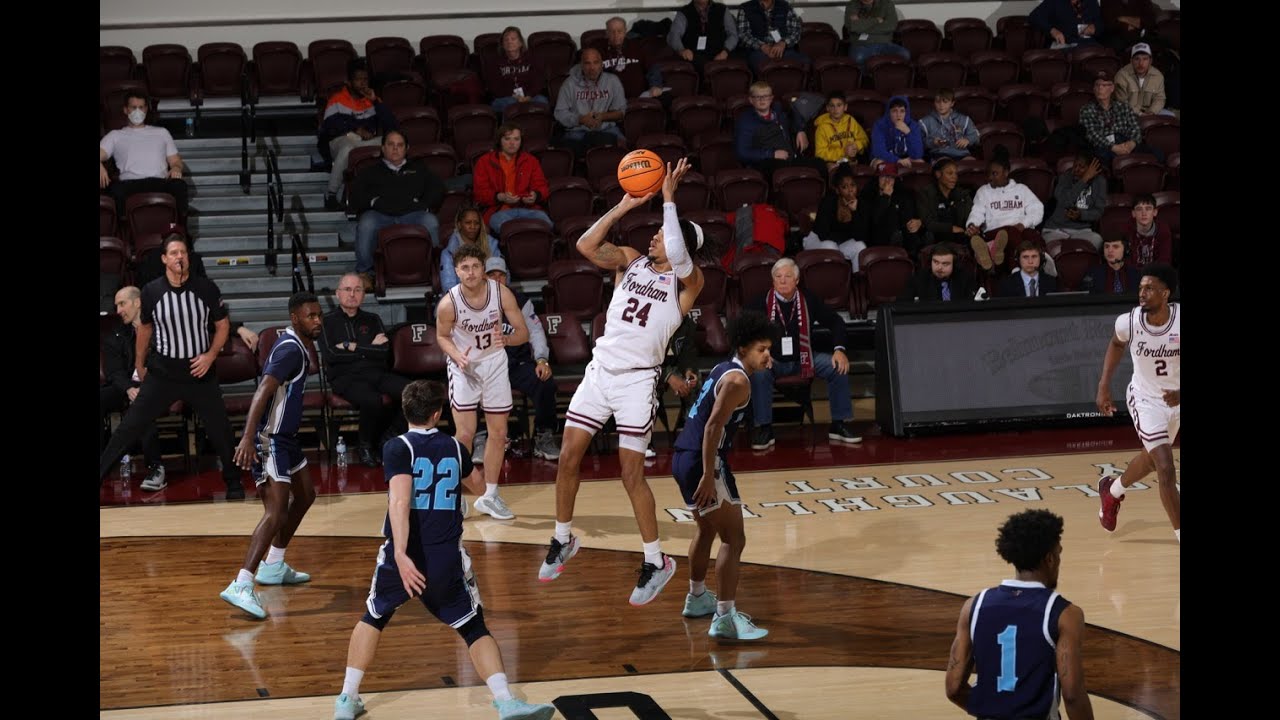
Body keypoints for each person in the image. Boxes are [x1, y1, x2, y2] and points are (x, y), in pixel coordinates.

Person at [331, 380, 557, 720]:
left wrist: (401, 554)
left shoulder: (397, 447)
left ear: (405, 410)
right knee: (472, 626)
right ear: (438, 414)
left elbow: (401, 500)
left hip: (404, 555)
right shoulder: (455, 448)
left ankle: (347, 699)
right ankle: (506, 701)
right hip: (445, 557)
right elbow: (478, 486)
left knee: (374, 616)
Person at [538, 158, 707, 606]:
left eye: (661, 235)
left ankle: (656, 561)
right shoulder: (630, 262)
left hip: (637, 381)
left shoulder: (689, 284)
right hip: (600, 371)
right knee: (568, 456)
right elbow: (585, 243)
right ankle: (562, 538)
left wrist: (669, 198)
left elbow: (678, 245)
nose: (652, 237)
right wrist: (624, 205)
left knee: (630, 472)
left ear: (680, 246)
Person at [98, 233, 246, 499]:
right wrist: (141, 363)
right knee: (130, 426)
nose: (180, 257)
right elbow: (144, 330)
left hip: (199, 371)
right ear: (165, 259)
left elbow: (222, 326)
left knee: (220, 429)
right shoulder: (152, 291)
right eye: (174, 253)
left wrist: (211, 355)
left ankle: (234, 482)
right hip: (163, 372)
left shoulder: (207, 288)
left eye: (183, 252)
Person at [219, 292, 324, 619]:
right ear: (295, 318)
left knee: (305, 495)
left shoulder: (300, 345)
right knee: (276, 512)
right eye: (311, 316)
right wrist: (248, 437)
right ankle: (242, 582)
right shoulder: (291, 349)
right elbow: (263, 389)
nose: (317, 320)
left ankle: (274, 565)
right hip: (271, 439)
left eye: (319, 315)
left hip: (288, 439)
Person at [674, 310, 775, 641]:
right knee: (734, 538)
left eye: (769, 349)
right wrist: (707, 475)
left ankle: (698, 597)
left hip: (682, 457)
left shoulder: (722, 368)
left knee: (706, 529)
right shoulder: (737, 380)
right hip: (705, 462)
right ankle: (725, 618)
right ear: (743, 348)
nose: (767, 355)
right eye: (761, 349)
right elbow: (713, 426)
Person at [944, 509, 1094, 720]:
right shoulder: (1065, 615)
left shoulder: (974, 606)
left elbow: (953, 688)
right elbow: (1072, 696)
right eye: (1059, 554)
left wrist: (992, 711)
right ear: (1050, 559)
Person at [436, 245, 530, 520]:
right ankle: (453, 496)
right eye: (464, 267)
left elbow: (523, 333)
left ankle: (490, 495)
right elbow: (442, 337)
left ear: (483, 268)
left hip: (494, 363)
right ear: (456, 271)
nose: (471, 272)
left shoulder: (500, 293)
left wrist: (509, 339)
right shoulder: (448, 303)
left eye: (475, 266)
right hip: (464, 367)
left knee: (498, 434)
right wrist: (456, 356)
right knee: (464, 435)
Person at [1095, 263, 1179, 542]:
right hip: (1146, 400)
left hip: (1177, 400)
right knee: (1165, 466)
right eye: (1140, 288)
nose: (1142, 293)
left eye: (1149, 288)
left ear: (1165, 293)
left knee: (1152, 459)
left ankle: (1113, 491)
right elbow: (1117, 344)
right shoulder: (1128, 322)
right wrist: (1104, 385)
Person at [747, 257, 861, 449]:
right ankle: (764, 428)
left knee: (837, 367)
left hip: (803, 359)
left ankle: (839, 424)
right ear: (773, 280)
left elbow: (836, 322)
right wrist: (757, 355)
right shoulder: (761, 302)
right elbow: (742, 330)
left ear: (797, 280)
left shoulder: (808, 299)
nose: (782, 280)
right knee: (758, 374)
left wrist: (839, 350)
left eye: (788, 276)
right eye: (778, 276)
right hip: (771, 361)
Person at [321, 273, 412, 467]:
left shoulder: (372, 319)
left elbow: (384, 351)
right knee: (372, 399)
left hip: (376, 373)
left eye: (358, 290)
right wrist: (369, 347)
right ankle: (365, 446)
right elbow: (331, 355)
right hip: (345, 378)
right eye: (347, 289)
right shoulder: (326, 321)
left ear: (363, 295)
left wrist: (351, 346)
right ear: (338, 293)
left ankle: (389, 437)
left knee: (412, 392)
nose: (352, 294)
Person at [486, 256, 561, 461]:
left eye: (500, 275)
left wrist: (541, 360)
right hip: (487, 365)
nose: (497, 279)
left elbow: (536, 332)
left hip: (516, 364)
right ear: (483, 278)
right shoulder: (475, 301)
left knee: (543, 381)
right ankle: (481, 438)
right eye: (491, 275)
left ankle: (543, 435)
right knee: (472, 383)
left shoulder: (520, 302)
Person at [350, 130, 445, 291]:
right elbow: (356, 195)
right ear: (383, 148)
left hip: (412, 214)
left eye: (400, 145)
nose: (395, 149)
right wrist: (373, 202)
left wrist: (423, 204)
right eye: (391, 145)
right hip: (380, 215)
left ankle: (437, 269)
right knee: (366, 223)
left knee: (431, 221)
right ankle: (365, 273)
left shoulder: (418, 168)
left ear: (406, 148)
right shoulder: (370, 171)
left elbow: (438, 188)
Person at [100, 286, 165, 491]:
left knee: (142, 407)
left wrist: (238, 328)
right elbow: (114, 372)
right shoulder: (116, 335)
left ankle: (156, 468)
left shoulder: (161, 328)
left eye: (122, 304)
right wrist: (128, 388)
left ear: (137, 303)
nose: (118, 310)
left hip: (159, 385)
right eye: (117, 305)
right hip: (127, 386)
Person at [319, 61, 396, 210]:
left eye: (365, 79)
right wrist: (356, 128)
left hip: (364, 143)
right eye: (358, 79)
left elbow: (391, 125)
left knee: (392, 142)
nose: (363, 83)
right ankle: (331, 195)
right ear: (349, 82)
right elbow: (329, 127)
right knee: (348, 147)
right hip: (339, 142)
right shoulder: (337, 99)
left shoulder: (371, 100)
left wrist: (376, 101)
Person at [99, 90, 189, 218]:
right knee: (115, 190)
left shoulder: (162, 133)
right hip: (130, 184)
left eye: (141, 107)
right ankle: (125, 232)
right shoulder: (115, 135)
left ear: (146, 109)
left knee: (179, 186)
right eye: (133, 107)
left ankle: (176, 230)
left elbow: (175, 161)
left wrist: (176, 167)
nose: (138, 111)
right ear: (125, 110)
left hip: (159, 181)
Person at [965, 146, 1045, 273]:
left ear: (1006, 172)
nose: (990, 177)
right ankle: (1016, 270)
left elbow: (1037, 209)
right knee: (1010, 233)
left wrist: (1023, 224)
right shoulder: (984, 191)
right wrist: (972, 225)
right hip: (994, 232)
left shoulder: (1021, 189)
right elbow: (977, 212)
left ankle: (1041, 263)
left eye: (995, 173)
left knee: (1031, 235)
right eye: (989, 174)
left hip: (1019, 230)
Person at [735, 81, 827, 185]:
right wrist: (772, 154)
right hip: (766, 162)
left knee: (819, 164)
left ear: (771, 98)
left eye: (765, 96)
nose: (762, 100)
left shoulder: (778, 109)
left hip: (790, 158)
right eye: (757, 97)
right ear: (751, 100)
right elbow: (742, 153)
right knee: (785, 172)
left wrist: (800, 130)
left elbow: (795, 111)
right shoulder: (745, 121)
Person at [472, 124, 552, 235]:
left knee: (546, 224)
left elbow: (542, 187)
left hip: (528, 208)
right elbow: (479, 193)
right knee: (512, 231)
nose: (512, 143)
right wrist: (500, 196)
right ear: (500, 140)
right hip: (498, 210)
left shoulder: (530, 160)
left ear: (521, 141)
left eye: (516, 139)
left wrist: (536, 195)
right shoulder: (485, 162)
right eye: (507, 139)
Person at [553, 48, 628, 159]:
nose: (592, 68)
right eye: (587, 63)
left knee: (624, 151)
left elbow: (621, 112)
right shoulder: (569, 84)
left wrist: (602, 116)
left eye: (595, 63)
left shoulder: (613, 81)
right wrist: (580, 119)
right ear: (581, 65)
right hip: (578, 131)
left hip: (606, 129)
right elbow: (559, 113)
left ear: (601, 64)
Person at [1079, 72, 1157, 164]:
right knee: (1102, 157)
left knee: (1156, 153)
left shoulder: (1123, 107)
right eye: (1097, 85)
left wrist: (1132, 143)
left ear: (1112, 88)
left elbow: (1135, 128)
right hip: (1104, 146)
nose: (1100, 88)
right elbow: (1092, 135)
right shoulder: (1087, 110)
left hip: (1125, 141)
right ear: (1094, 89)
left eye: (1104, 85)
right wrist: (1113, 147)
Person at [854, 162, 927, 258]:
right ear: (877, 178)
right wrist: (885, 197)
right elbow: (872, 221)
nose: (887, 181)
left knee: (924, 236)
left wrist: (918, 222)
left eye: (891, 177)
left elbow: (912, 216)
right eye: (883, 177)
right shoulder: (867, 196)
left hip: (902, 238)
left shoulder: (903, 194)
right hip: (876, 239)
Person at [1042, 151, 1107, 251]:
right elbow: (1064, 201)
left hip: (1082, 231)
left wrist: (1081, 215)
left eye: (1081, 167)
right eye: (1075, 165)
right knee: (1056, 250)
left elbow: (1098, 212)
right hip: (1056, 229)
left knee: (1097, 241)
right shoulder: (1065, 177)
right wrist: (1084, 180)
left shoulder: (1100, 182)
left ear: (1092, 169)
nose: (1076, 170)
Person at [807, 166, 866, 268]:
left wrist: (855, 212)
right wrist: (846, 234)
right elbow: (823, 234)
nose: (850, 190)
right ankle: (834, 281)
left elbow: (860, 235)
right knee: (831, 246)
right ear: (837, 190)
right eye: (844, 187)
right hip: (817, 241)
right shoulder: (828, 202)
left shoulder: (860, 203)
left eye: (853, 185)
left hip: (840, 243)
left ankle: (858, 280)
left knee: (860, 246)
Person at [482, 26, 549, 113]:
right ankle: (510, 127)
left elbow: (538, 81)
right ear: (502, 44)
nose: (509, 42)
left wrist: (528, 96)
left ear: (520, 43)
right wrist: (514, 96)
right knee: (512, 103)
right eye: (506, 40)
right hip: (505, 98)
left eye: (513, 39)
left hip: (530, 96)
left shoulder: (532, 59)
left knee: (542, 101)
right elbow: (494, 87)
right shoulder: (494, 62)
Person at [600, 16, 667, 99]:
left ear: (625, 31)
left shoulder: (636, 46)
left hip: (640, 98)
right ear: (607, 33)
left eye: (619, 31)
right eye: (612, 31)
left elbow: (652, 68)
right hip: (611, 100)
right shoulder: (598, 50)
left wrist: (655, 85)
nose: (616, 35)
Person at [441, 204, 503, 294]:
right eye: (468, 223)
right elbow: (449, 288)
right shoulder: (448, 253)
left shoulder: (491, 245)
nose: (473, 226)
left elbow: (503, 277)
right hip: (461, 300)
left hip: (491, 295)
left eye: (476, 223)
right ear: (459, 224)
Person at [735, 0, 809, 75]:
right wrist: (762, 46)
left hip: (783, 50)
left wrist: (784, 43)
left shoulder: (785, 6)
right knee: (763, 66)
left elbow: (796, 31)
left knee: (805, 62)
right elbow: (743, 34)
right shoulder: (745, 8)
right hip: (757, 51)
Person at [668, 0, 740, 74]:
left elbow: (733, 35)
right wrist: (682, 50)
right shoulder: (684, 12)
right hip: (694, 56)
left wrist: (725, 51)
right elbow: (674, 35)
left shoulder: (722, 9)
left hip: (720, 53)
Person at [916, 157, 974, 250]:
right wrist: (950, 228)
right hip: (936, 236)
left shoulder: (962, 194)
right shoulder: (925, 193)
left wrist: (971, 227)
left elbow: (970, 217)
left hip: (960, 236)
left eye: (956, 173)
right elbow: (927, 222)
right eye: (950, 173)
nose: (954, 177)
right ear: (938, 174)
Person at [898, 242, 976, 303]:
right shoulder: (918, 278)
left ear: (954, 264)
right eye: (936, 262)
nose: (939, 267)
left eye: (945, 264)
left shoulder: (965, 278)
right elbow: (902, 305)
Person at [844, 0, 911, 69]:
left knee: (904, 54)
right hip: (862, 44)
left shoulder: (887, 3)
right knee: (858, 57)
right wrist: (876, 20)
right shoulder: (851, 5)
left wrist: (862, 26)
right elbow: (852, 26)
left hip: (885, 43)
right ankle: (868, 79)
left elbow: (891, 26)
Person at [813, 91, 871, 171]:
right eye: (832, 106)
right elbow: (819, 153)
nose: (835, 109)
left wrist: (856, 147)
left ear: (845, 107)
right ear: (827, 108)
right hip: (834, 162)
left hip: (852, 159)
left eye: (839, 105)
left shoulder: (851, 121)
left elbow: (865, 140)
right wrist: (843, 151)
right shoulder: (822, 127)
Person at [919, 88, 980, 162]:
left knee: (971, 162)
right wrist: (933, 142)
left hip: (962, 154)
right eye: (938, 102)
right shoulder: (925, 121)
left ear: (952, 103)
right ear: (934, 103)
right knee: (945, 164)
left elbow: (976, 135)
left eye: (945, 102)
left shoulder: (964, 119)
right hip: (938, 155)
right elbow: (918, 141)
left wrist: (968, 140)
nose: (941, 105)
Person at [1113, 43, 1172, 117]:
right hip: (1128, 113)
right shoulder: (1121, 76)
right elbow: (1122, 103)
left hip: (1150, 113)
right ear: (1131, 61)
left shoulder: (1158, 76)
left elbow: (1160, 99)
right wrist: (1140, 114)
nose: (1141, 63)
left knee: (1170, 116)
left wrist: (1151, 112)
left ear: (1150, 61)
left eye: (1145, 59)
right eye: (1137, 59)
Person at [870, 95, 925, 171]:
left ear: (906, 112)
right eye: (894, 111)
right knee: (879, 162)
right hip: (885, 157)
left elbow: (917, 154)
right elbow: (878, 151)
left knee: (920, 162)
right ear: (889, 112)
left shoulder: (913, 126)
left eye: (902, 111)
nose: (898, 115)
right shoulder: (879, 125)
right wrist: (897, 160)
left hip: (905, 157)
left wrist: (908, 132)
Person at [1121, 193, 1172, 267]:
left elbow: (1165, 261)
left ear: (1155, 212)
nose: (1144, 213)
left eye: (1148, 209)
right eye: (1139, 209)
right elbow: (1124, 261)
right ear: (1133, 213)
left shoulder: (1163, 231)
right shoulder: (1125, 230)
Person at [1030, 0, 1103, 48]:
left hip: (1088, 46)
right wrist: (1052, 30)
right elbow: (1034, 16)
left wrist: (1095, 28)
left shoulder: (1092, 2)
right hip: (1063, 46)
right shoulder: (1055, 2)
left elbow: (1100, 24)